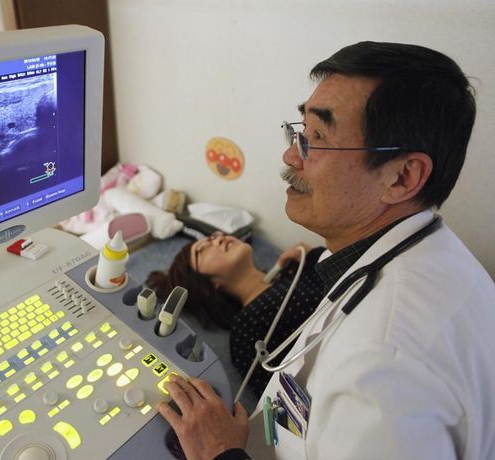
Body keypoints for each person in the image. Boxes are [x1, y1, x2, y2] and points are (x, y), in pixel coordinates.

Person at [155, 41, 495, 460]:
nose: (289, 155)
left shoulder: (384, 366)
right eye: (300, 132)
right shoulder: (419, 256)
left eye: (318, 137)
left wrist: (220, 454)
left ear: (403, 176)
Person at [147, 233, 326, 397]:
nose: (219, 238)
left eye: (215, 236)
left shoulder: (298, 268)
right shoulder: (246, 326)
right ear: (208, 285)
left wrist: (318, 256)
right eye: (203, 249)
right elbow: (279, 399)